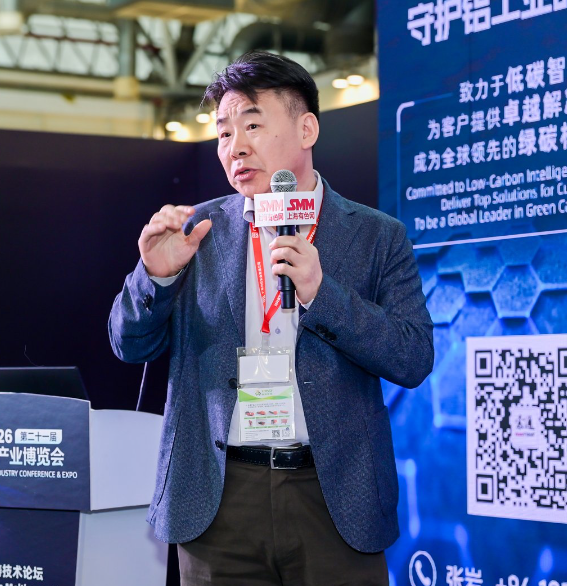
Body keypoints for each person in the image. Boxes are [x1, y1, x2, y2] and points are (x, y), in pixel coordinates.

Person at [109, 51, 433, 585]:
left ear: (307, 129)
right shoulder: (195, 231)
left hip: (333, 497)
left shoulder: (377, 236)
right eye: (223, 132)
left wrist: (323, 295)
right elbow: (128, 344)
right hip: (219, 498)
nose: (235, 146)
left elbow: (413, 356)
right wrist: (156, 277)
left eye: (253, 125)